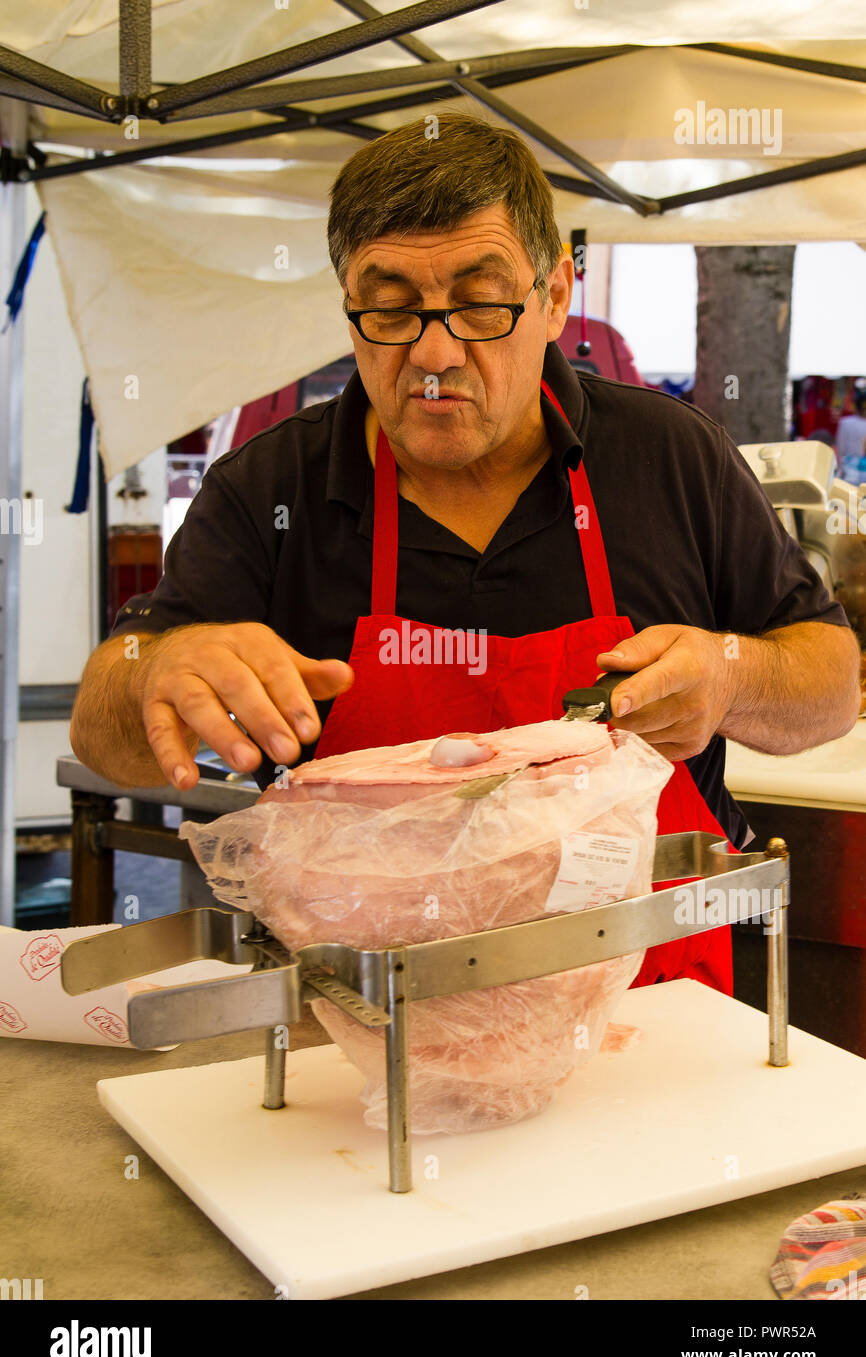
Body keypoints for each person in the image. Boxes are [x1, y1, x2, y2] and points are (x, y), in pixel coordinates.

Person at [70, 114, 860, 995]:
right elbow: (102, 728)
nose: (435, 354)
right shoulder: (270, 489)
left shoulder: (671, 458)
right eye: (392, 307)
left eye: (482, 304)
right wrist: (160, 671)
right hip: (371, 1026)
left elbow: (830, 681)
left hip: (651, 1016)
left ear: (556, 293)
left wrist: (733, 676)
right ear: (346, 303)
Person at [835, 389, 866, 470]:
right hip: (851, 465)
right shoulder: (846, 422)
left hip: (849, 466)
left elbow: (841, 447)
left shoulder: (845, 422)